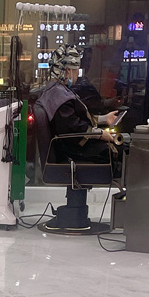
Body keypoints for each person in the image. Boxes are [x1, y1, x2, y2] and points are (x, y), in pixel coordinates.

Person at [31, 44, 122, 232]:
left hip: (71, 146)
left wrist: (104, 120)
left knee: (121, 147)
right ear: (65, 70)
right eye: (74, 70)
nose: (76, 75)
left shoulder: (57, 91)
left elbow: (75, 121)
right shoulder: (59, 96)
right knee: (120, 152)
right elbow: (73, 129)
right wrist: (101, 135)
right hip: (71, 150)